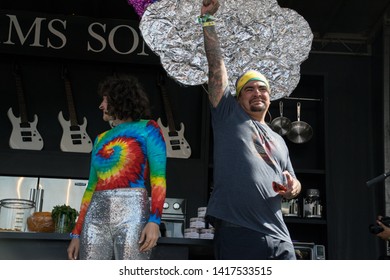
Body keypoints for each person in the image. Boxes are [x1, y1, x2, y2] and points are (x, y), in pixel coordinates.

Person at [200, 0, 302, 259]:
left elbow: (293, 182)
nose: (257, 93)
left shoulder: (280, 140)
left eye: (262, 88)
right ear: (237, 98)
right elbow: (215, 68)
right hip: (239, 231)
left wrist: (293, 189)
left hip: (280, 236)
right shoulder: (228, 116)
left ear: (270, 96)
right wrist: (208, 22)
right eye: (249, 88)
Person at [67, 74, 167, 260]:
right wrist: (76, 233)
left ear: (119, 100)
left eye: (104, 100)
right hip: (95, 215)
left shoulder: (149, 128)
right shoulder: (100, 139)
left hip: (133, 213)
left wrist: (154, 221)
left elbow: (158, 179)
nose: (101, 106)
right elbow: (90, 188)